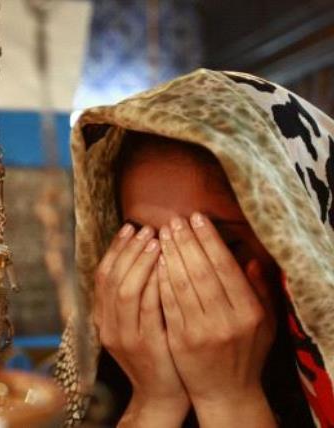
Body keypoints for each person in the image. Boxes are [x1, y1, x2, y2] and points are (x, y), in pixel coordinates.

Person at [54, 69, 334, 427]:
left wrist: (230, 399)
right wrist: (153, 402)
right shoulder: (103, 356)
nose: (178, 277)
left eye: (220, 244)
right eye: (142, 242)